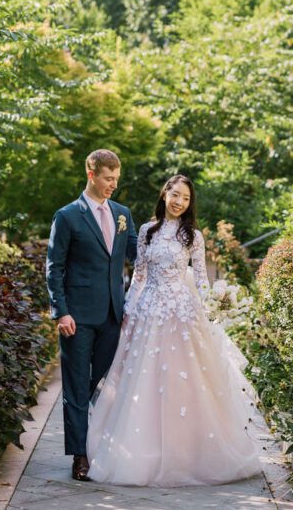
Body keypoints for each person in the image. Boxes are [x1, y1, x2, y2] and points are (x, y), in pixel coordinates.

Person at [86, 174, 262, 486]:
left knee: (185, 382)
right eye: (176, 194)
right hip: (148, 312)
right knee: (144, 381)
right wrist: (128, 308)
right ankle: (141, 454)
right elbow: (138, 275)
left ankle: (188, 454)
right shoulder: (146, 231)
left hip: (181, 313)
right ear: (165, 194)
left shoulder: (192, 235)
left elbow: (201, 278)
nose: (180, 202)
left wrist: (215, 302)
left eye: (186, 198)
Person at [45, 149, 138, 481]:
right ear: (91, 174)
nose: (113, 185)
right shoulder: (67, 216)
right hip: (77, 318)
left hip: (115, 314)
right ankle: (80, 456)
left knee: (101, 382)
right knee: (75, 387)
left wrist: (171, 234)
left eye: (116, 179)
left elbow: (139, 254)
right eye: (108, 178)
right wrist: (61, 312)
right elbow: (54, 267)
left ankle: (96, 437)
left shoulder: (123, 214)